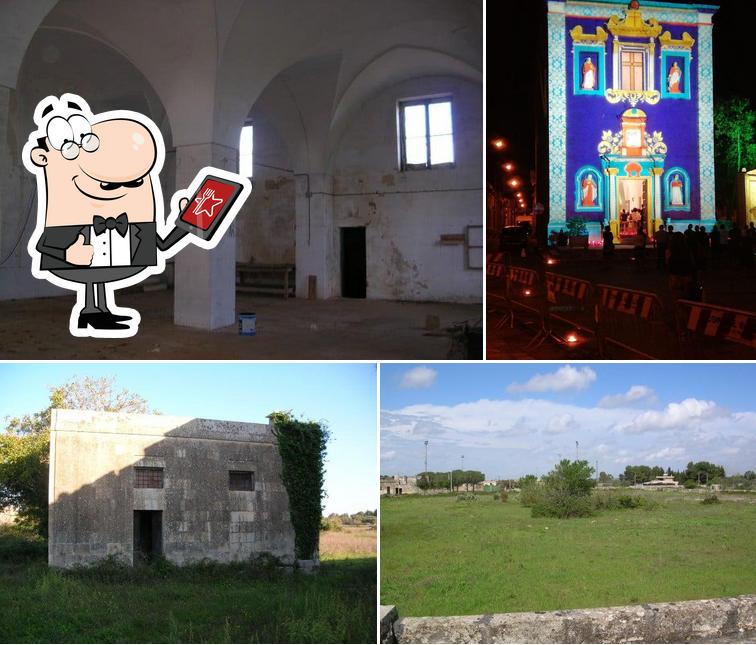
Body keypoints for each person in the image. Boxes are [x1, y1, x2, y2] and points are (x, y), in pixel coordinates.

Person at [23, 93, 250, 337]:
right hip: (77, 256)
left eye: (134, 183)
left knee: (98, 278)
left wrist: (188, 221)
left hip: (119, 250)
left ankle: (97, 311)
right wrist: (67, 253)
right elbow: (42, 246)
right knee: (92, 277)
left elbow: (162, 244)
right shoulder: (66, 224)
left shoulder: (136, 228)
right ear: (43, 158)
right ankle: (92, 311)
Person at [666, 231, 697, 301]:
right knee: (687, 297)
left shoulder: (669, 251)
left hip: (674, 275)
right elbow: (693, 263)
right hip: (686, 275)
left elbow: (668, 263)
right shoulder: (688, 250)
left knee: (677, 298)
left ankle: (679, 310)